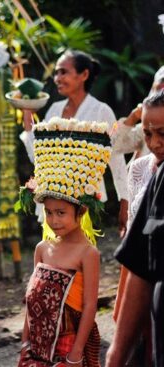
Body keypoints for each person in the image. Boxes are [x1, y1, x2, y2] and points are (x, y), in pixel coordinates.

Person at [16, 116, 113, 366]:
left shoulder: (87, 253)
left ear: (80, 212)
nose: (54, 220)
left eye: (61, 213)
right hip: (36, 344)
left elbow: (90, 307)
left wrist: (76, 352)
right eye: (49, 213)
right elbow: (32, 300)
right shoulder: (42, 249)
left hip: (68, 343)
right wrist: (25, 342)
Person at [20, 49, 128, 234]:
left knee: (80, 256)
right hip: (52, 200)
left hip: (84, 201)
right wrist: (28, 117)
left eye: (63, 72)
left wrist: (125, 204)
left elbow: (116, 161)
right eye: (56, 72)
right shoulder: (54, 109)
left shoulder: (101, 111)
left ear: (84, 74)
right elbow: (37, 157)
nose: (57, 78)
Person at [106, 90, 164, 367]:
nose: (155, 144)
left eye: (162, 133)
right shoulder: (151, 173)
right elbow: (139, 260)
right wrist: (116, 354)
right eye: (149, 134)